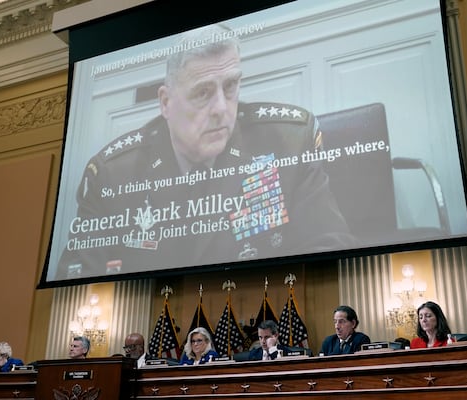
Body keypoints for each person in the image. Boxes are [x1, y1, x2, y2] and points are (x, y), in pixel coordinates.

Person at [56, 23, 357, 279]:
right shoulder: (114, 173)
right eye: (202, 93)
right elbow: (78, 272)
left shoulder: (287, 141)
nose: (221, 109)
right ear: (165, 102)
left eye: (230, 86)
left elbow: (330, 247)